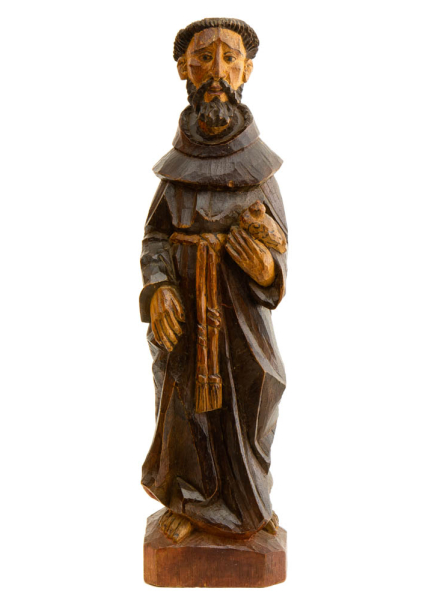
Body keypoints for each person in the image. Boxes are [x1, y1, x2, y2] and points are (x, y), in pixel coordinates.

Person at [139, 18, 288, 543]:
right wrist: (159, 288)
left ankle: (250, 504)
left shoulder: (259, 168)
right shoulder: (176, 169)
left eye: (230, 58)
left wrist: (265, 268)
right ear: (184, 69)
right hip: (185, 307)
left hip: (241, 316)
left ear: (247, 71)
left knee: (258, 392)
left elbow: (280, 249)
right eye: (204, 58)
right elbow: (155, 237)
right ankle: (190, 502)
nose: (217, 71)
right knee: (185, 410)